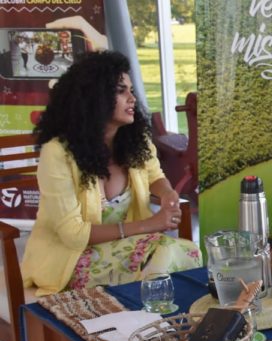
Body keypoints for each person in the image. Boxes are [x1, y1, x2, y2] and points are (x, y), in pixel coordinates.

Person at [22, 51, 202, 298]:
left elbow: (154, 176)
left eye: (131, 89)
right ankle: (150, 318)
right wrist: (148, 225)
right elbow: (73, 236)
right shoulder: (57, 154)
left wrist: (167, 193)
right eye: (121, 90)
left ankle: (155, 316)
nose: (132, 98)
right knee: (169, 254)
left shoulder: (135, 142)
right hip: (69, 259)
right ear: (95, 98)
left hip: (128, 248)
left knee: (189, 251)